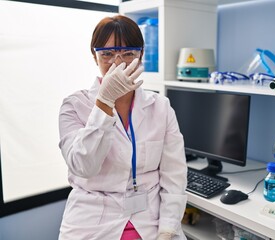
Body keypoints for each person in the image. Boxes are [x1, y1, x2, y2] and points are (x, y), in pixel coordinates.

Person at [58, 14, 188, 240]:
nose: (118, 63)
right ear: (94, 56)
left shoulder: (161, 107)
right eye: (107, 54)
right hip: (93, 222)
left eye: (128, 53)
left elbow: (174, 177)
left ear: (141, 55)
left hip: (150, 220)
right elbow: (83, 166)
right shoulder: (74, 106)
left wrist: (167, 230)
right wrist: (103, 103)